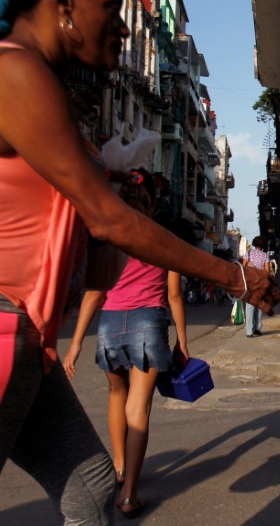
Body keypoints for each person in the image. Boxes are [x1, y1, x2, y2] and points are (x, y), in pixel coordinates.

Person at [0, 0, 274, 523]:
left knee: (92, 483)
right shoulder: (15, 69)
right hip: (5, 328)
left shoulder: (44, 93)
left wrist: (108, 196)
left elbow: (101, 247)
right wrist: (231, 274)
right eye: (109, 8)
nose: (123, 26)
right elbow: (109, 221)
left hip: (28, 337)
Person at [63, 168, 187, 518]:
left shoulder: (110, 236)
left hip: (109, 326)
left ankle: (118, 469)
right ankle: (129, 494)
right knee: (139, 408)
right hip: (148, 324)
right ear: (153, 199)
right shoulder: (163, 236)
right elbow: (175, 296)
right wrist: (182, 340)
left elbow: (94, 293)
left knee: (117, 396)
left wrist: (74, 344)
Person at [242, 236, 271, 336]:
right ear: (263, 245)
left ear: (255, 244)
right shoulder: (265, 255)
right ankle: (257, 329)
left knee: (249, 307)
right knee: (259, 306)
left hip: (250, 283)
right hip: (260, 284)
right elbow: (267, 271)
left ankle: (249, 331)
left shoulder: (248, 253)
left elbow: (243, 267)